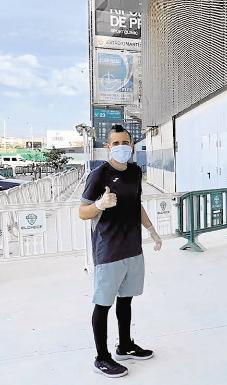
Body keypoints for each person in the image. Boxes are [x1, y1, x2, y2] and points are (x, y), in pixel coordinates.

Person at [79, 124, 162, 378]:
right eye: (115, 143)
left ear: (132, 145)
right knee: (103, 303)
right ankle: (101, 357)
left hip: (132, 248)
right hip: (109, 249)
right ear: (108, 147)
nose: (121, 147)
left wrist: (152, 231)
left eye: (125, 142)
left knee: (126, 299)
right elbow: (82, 212)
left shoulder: (135, 172)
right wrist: (100, 204)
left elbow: (137, 205)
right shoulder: (99, 174)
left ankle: (125, 345)